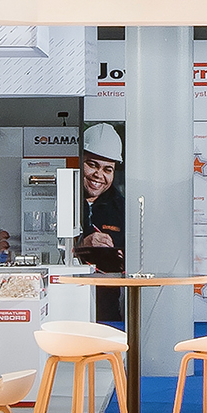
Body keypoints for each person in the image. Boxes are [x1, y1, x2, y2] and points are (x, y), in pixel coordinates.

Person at [76, 121, 125, 327]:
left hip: (107, 308)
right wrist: (82, 244)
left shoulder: (122, 208)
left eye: (108, 169)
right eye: (92, 165)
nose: (99, 175)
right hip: (67, 301)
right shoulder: (64, 197)